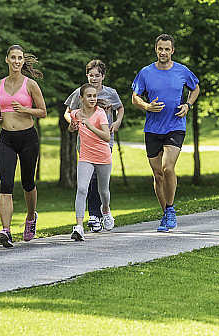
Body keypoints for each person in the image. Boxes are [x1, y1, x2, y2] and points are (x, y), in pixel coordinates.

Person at [131, 34, 200, 232]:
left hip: (175, 125)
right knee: (158, 175)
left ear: (172, 51)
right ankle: (165, 213)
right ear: (156, 50)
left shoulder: (182, 71)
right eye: (160, 49)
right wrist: (146, 106)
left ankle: (170, 210)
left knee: (168, 167)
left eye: (167, 49)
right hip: (152, 129)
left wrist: (188, 104)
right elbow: (135, 97)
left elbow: (195, 89)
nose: (163, 52)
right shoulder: (145, 73)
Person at [0, 44, 47, 248]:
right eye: (12, 57)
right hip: (6, 138)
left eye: (19, 58)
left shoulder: (30, 85)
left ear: (23, 61)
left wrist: (25, 109)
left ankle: (31, 218)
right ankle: (5, 231)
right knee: (5, 185)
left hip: (27, 139)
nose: (16, 61)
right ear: (6, 60)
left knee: (27, 182)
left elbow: (43, 111)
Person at [64, 60, 124, 232]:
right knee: (86, 183)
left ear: (103, 76)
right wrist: (73, 123)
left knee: (100, 184)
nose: (94, 78)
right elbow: (68, 113)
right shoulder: (79, 92)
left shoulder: (110, 94)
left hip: (105, 144)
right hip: (84, 145)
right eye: (91, 75)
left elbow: (120, 108)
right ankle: (92, 217)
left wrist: (118, 122)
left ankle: (102, 211)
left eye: (98, 75)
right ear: (87, 76)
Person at [67, 83, 115, 241]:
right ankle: (79, 227)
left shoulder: (100, 113)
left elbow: (107, 137)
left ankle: (106, 210)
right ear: (81, 98)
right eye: (89, 96)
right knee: (81, 189)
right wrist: (72, 127)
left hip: (103, 156)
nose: (93, 99)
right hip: (86, 157)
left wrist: (89, 126)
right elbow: (71, 124)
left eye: (94, 96)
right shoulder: (77, 113)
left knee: (103, 192)